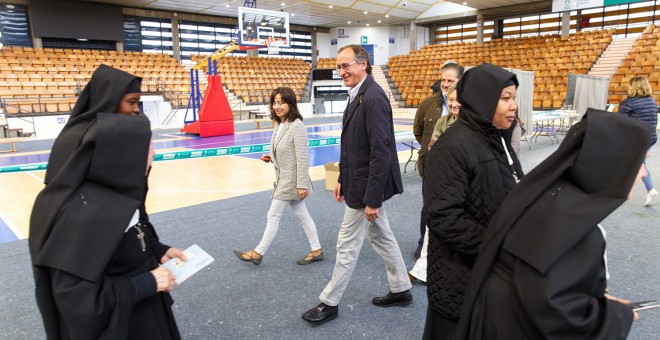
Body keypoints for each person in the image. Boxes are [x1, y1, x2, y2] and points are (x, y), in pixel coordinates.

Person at [455, 110, 649, 339]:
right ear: (612, 164)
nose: (644, 171)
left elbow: (539, 282)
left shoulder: (545, 199)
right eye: (639, 162)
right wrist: (616, 315)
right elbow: (558, 314)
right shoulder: (576, 232)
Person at [29, 65, 185, 339]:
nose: (153, 156)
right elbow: (78, 300)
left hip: (145, 312)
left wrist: (157, 249)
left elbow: (129, 235)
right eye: (145, 151)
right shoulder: (85, 214)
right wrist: (146, 283)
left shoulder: (120, 196)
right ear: (119, 157)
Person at [301, 45, 411, 324]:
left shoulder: (373, 97)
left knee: (346, 245)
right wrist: (341, 177)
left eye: (346, 65)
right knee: (381, 236)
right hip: (357, 181)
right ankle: (401, 289)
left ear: (364, 64)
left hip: (366, 189)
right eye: (339, 67)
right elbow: (352, 147)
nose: (341, 71)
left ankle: (330, 301)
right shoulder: (357, 95)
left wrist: (373, 199)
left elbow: (381, 150)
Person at [422, 63, 523, 339]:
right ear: (482, 98)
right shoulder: (453, 147)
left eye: (513, 98)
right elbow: (443, 216)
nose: (513, 106)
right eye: (505, 98)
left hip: (489, 270)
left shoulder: (495, 138)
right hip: (461, 273)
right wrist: (496, 247)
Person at [233, 87, 322, 265]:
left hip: (291, 181)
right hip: (284, 177)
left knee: (273, 215)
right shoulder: (279, 125)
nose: (277, 106)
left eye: (281, 102)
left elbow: (302, 157)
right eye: (274, 103)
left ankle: (258, 253)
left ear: (291, 104)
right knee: (303, 216)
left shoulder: (297, 126)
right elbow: (284, 152)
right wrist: (271, 158)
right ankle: (316, 249)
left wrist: (302, 184)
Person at [412, 61, 465, 259]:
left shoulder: (468, 107)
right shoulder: (427, 103)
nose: (445, 83)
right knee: (429, 207)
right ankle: (422, 244)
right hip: (431, 166)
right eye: (443, 79)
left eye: (450, 80)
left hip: (458, 169)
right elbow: (418, 131)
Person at [409, 82, 460, 283]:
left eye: (459, 100)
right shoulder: (442, 122)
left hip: (462, 184)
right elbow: (434, 150)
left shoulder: (475, 125)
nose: (455, 104)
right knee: (433, 224)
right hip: (442, 180)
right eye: (452, 100)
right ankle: (422, 270)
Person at [618, 76, 658, 207]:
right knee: (640, 162)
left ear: (632, 87)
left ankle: (630, 190)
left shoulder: (629, 102)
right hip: (650, 137)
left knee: (635, 163)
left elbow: (620, 121)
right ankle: (649, 190)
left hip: (636, 138)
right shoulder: (652, 101)